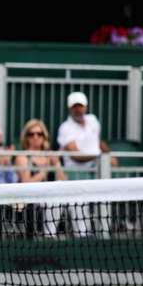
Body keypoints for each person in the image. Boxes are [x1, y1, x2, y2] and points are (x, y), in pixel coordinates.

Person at [56, 91, 116, 235]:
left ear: (86, 107)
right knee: (79, 210)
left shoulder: (93, 120)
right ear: (70, 108)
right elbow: (75, 154)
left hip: (96, 172)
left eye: (80, 106)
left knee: (101, 205)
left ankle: (103, 233)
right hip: (74, 175)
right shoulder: (65, 128)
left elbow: (98, 140)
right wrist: (100, 157)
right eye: (75, 106)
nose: (78, 109)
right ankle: (82, 237)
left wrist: (108, 155)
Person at [14, 119, 68, 237]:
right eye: (31, 134)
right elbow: (26, 183)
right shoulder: (23, 157)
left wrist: (57, 164)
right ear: (26, 137)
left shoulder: (50, 156)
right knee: (52, 201)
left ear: (44, 136)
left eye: (39, 134)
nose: (35, 137)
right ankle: (49, 236)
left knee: (72, 200)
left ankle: (83, 236)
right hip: (29, 198)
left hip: (52, 197)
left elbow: (64, 182)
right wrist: (46, 168)